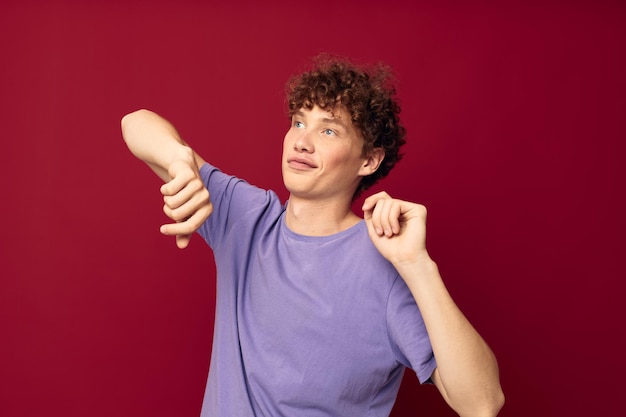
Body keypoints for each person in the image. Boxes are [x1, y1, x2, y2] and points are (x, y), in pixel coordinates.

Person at [121, 55, 504, 417]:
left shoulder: (386, 267)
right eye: (299, 122)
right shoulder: (246, 217)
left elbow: (481, 404)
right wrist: (179, 159)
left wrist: (417, 265)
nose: (302, 141)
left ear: (368, 160)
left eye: (329, 130)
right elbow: (135, 122)